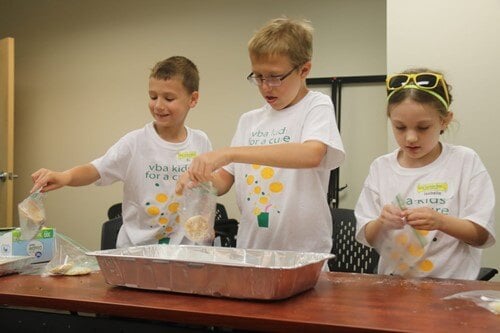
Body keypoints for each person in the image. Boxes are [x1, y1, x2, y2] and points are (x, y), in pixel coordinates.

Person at [177, 17, 345, 254]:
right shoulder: (250, 121)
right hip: (252, 250)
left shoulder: (316, 106)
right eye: (258, 76)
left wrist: (228, 153)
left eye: (275, 77)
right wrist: (201, 180)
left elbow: (312, 154)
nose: (266, 86)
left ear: (304, 70)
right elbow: (224, 181)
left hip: (304, 253)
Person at [31, 56, 212, 248]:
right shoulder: (135, 142)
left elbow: (207, 192)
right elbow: (95, 170)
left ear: (193, 99)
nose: (158, 105)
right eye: (153, 97)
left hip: (184, 251)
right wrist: (64, 177)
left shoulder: (200, 142)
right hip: (137, 251)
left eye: (168, 98)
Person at [355, 68, 496, 279]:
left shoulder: (464, 161)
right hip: (394, 289)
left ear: (445, 120)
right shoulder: (381, 168)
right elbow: (368, 236)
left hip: (451, 288)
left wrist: (441, 222)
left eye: (423, 127)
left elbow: (481, 236)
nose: (410, 138)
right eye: (400, 127)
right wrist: (382, 222)